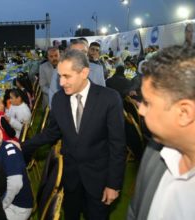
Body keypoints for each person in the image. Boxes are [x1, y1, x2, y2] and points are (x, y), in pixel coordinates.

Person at [22, 50, 126, 220]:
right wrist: (22, 145)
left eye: (66, 76)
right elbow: (51, 133)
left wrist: (113, 185)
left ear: (84, 72)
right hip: (70, 179)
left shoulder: (109, 98)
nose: (61, 82)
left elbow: (118, 145)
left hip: (99, 180)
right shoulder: (59, 100)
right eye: (59, 76)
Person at [127, 45, 195, 219]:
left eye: (147, 103)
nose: (140, 111)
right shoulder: (155, 151)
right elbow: (134, 212)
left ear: (184, 113)